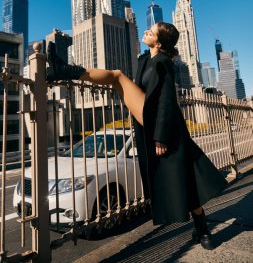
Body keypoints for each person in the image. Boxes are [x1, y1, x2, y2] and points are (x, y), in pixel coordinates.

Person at [47, 22, 227, 250]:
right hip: (149, 119)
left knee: (187, 183)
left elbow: (167, 102)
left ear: (159, 43)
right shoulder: (145, 60)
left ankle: (202, 229)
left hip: (160, 124)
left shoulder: (163, 63)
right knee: (183, 181)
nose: (146, 32)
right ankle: (63, 70)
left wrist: (160, 137)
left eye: (151, 32)